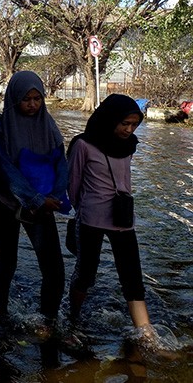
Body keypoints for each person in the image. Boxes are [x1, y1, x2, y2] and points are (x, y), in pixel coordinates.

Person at [66, 94, 156, 341]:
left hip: (123, 218)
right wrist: (82, 210)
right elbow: (72, 185)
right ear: (110, 119)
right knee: (86, 274)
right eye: (124, 123)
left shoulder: (130, 145)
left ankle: (147, 336)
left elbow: (124, 180)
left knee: (132, 276)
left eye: (134, 124)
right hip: (91, 219)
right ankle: (73, 317)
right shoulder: (83, 144)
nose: (129, 129)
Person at [0, 70, 69, 327]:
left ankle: (49, 321)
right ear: (13, 98)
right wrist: (34, 199)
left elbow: (60, 162)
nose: (32, 104)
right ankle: (1, 317)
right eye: (26, 99)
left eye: (37, 98)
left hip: (43, 206)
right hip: (5, 204)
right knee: (6, 264)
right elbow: (4, 166)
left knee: (54, 270)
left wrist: (55, 196)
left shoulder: (48, 125)